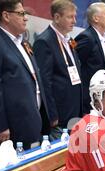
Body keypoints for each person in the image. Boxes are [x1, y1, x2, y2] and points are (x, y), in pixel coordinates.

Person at [0, 0, 51, 154]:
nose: (26, 18)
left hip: (26, 125)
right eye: (21, 13)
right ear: (6, 16)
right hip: (6, 132)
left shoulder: (23, 43)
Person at [34, 0, 83, 141]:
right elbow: (44, 82)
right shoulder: (44, 42)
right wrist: (52, 114)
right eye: (69, 17)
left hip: (75, 110)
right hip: (60, 115)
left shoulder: (69, 40)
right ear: (56, 17)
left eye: (74, 17)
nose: (74, 21)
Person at [75, 2, 105, 114]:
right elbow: (76, 66)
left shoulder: (102, 39)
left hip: (101, 98)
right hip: (89, 101)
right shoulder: (86, 38)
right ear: (96, 18)